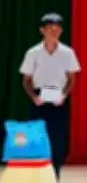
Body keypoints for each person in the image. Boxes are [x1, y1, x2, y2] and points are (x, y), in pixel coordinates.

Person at [19, 13, 81, 180]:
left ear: (61, 31)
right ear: (42, 30)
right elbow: (26, 80)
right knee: (37, 137)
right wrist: (34, 97)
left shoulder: (68, 52)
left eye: (57, 28)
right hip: (39, 98)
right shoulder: (33, 52)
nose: (54, 31)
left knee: (57, 138)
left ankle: (55, 175)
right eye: (50, 28)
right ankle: (36, 176)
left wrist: (65, 95)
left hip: (58, 98)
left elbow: (72, 79)